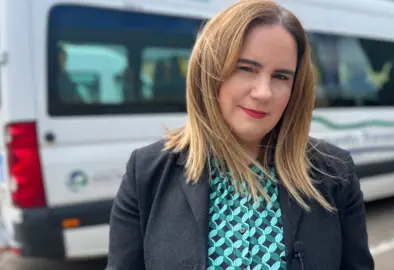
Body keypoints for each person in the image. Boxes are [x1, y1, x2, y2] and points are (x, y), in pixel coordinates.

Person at [106, 1, 374, 269]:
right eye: (246, 68)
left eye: (281, 76)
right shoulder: (146, 173)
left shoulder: (334, 174)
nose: (263, 92)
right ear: (208, 70)